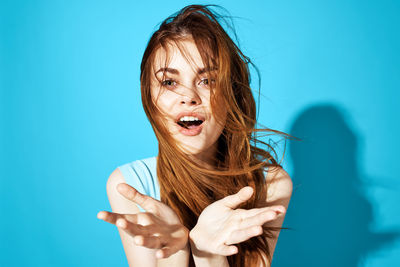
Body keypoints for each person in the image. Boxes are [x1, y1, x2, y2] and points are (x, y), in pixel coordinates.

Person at [97, 4, 293, 267]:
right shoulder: (131, 186)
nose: (188, 97)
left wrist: (208, 253)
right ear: (149, 98)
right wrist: (175, 250)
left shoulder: (270, 184)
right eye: (169, 82)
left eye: (207, 81)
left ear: (231, 94)